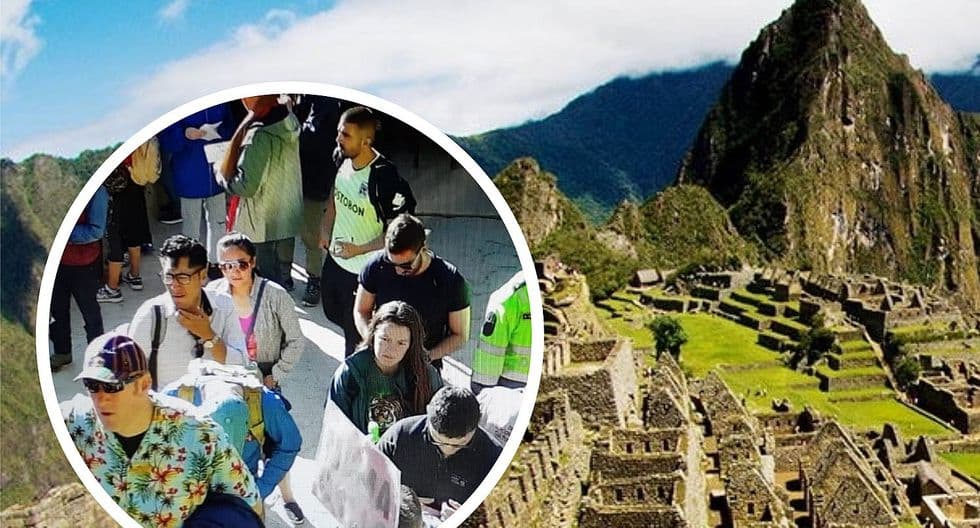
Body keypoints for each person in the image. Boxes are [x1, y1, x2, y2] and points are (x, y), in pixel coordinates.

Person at [61, 333, 262, 527]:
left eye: (112, 387)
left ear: (144, 384)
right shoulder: (74, 423)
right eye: (92, 385)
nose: (101, 398)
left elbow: (248, 506)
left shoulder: (200, 435)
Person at [206, 230, 306, 523]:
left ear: (252, 262)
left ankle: (288, 497)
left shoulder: (273, 294)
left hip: (265, 376)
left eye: (240, 263)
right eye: (226, 265)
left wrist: (275, 376)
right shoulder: (212, 294)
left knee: (275, 440)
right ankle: (243, 493)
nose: (234, 271)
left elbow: (297, 341)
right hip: (228, 379)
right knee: (237, 439)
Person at [319, 106, 416, 356]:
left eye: (346, 134)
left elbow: (398, 234)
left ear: (366, 141)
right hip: (336, 258)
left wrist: (358, 250)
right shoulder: (341, 156)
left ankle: (355, 375)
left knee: (354, 333)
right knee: (331, 309)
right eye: (339, 132)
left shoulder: (384, 177)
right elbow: (336, 192)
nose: (339, 139)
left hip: (363, 269)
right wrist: (325, 226)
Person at [128, 234, 246, 389]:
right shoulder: (150, 316)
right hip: (167, 409)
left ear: (203, 275)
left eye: (183, 277)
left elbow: (241, 365)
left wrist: (209, 336)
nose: (174, 286)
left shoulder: (224, 306)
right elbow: (129, 376)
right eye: (169, 277)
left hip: (218, 407)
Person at [355, 214, 470, 368]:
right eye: (390, 261)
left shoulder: (450, 279)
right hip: (383, 359)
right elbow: (361, 310)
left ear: (423, 249)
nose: (397, 270)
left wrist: (427, 357)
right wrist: (372, 340)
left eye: (405, 266)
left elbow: (460, 335)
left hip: (424, 362)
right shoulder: (377, 265)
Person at [218, 95, 303, 289]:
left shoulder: (259, 135)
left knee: (265, 282)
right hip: (283, 212)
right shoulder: (289, 120)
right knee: (276, 272)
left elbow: (246, 187)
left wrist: (221, 176)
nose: (243, 101)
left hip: (260, 222)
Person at [378, 386, 501, 512]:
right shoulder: (400, 437)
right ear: (428, 412)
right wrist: (398, 500)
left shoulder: (494, 459)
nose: (447, 449)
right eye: (437, 440)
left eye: (460, 444)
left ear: (477, 424)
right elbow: (370, 482)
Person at [329, 301, 443, 435]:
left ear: (411, 345)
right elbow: (334, 423)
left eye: (401, 343)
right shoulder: (352, 372)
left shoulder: (426, 376)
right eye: (385, 339)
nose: (390, 350)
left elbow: (439, 424)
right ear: (373, 334)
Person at [158, 104, 235, 279]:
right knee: (191, 225)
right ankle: (192, 264)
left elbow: (231, 126)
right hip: (189, 169)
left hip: (216, 168)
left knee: (218, 221)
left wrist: (221, 132)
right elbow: (166, 137)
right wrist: (184, 134)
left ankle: (215, 263)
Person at [50, 186, 109, 370]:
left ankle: (98, 357)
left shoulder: (96, 190)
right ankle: (62, 353)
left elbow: (96, 231)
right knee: (56, 312)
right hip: (56, 262)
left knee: (90, 314)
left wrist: (61, 233)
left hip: (85, 264)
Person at [296, 95, 342, 307]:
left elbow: (318, 140)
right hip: (299, 179)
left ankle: (316, 279)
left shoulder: (330, 108)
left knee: (313, 235)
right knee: (301, 232)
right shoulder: (305, 101)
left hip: (319, 183)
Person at [97, 163, 151, 303]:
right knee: (134, 234)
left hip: (115, 194)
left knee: (114, 242)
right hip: (136, 185)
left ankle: (112, 289)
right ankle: (135, 276)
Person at [470, 272, 532, 393]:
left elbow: (491, 348)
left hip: (510, 382)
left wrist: (482, 389)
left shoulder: (509, 299)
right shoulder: (512, 299)